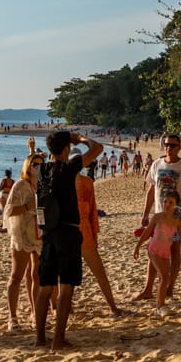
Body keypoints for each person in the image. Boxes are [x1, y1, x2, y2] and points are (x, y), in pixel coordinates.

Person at [35, 130, 103, 350]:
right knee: (66, 287)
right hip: (69, 232)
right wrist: (81, 139)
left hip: (48, 232)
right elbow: (98, 148)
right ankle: (58, 339)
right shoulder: (70, 167)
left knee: (45, 287)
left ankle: (39, 339)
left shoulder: (40, 170)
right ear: (66, 149)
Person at [135, 133, 181, 301]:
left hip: (179, 217)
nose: (169, 148)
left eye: (172, 145)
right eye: (166, 144)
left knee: (174, 251)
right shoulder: (157, 164)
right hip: (159, 216)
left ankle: (169, 287)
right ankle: (148, 289)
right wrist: (145, 214)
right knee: (154, 250)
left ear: (179, 147)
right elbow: (151, 191)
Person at [134, 189, 181, 316]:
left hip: (165, 252)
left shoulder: (177, 221)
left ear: (176, 205)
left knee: (165, 278)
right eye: (165, 201)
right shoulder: (157, 217)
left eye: (170, 202)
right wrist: (138, 246)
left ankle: (160, 305)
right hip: (154, 250)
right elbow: (146, 233)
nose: (167, 204)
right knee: (165, 277)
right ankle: (160, 306)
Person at [76, 155, 121, 318]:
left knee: (99, 271)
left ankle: (113, 307)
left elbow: (93, 210)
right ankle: (66, 309)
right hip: (67, 234)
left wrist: (95, 234)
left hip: (85, 232)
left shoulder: (87, 182)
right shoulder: (60, 182)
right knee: (66, 276)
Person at [5, 151, 43, 331]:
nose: (38, 168)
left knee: (36, 275)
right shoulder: (20, 185)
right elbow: (9, 211)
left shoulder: (43, 185)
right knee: (16, 276)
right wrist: (29, 206)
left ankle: (35, 313)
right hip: (21, 235)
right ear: (28, 166)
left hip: (39, 235)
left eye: (41, 165)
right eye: (34, 164)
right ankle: (12, 316)